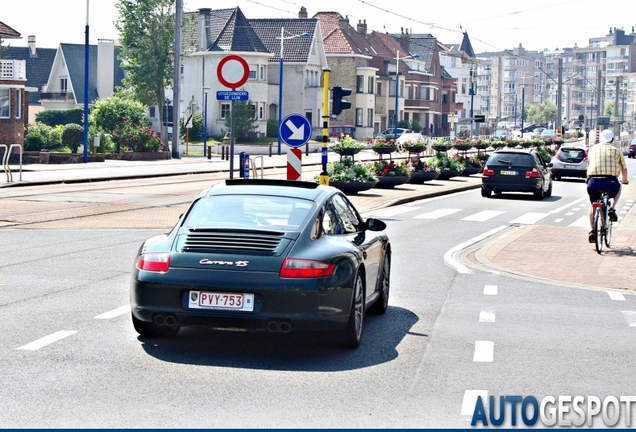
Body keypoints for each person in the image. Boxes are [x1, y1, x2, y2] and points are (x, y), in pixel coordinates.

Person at [586, 129, 629, 243]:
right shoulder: (616, 151)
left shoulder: (592, 150)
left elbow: (589, 167)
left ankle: (592, 232)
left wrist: (588, 180)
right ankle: (612, 208)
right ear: (612, 139)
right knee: (619, 187)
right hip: (610, 182)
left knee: (592, 206)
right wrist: (624, 180)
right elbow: (624, 168)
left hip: (593, 182)